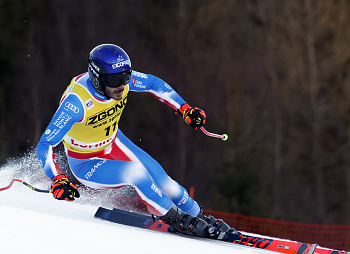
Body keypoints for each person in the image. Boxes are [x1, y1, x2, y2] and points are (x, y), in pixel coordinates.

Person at [36, 43, 235, 238]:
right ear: (97, 78)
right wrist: (58, 179)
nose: (122, 86)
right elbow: (45, 145)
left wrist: (184, 109)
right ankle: (176, 219)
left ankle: (199, 217)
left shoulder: (120, 82)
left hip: (114, 143)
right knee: (137, 174)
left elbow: (153, 83)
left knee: (168, 185)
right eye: (114, 80)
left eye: (125, 77)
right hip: (86, 162)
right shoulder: (76, 103)